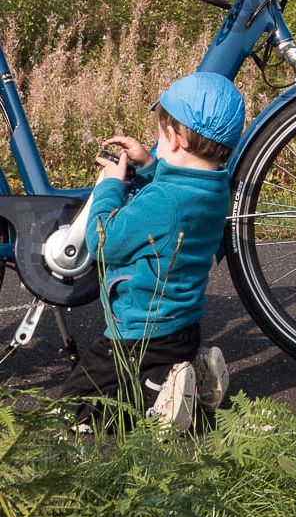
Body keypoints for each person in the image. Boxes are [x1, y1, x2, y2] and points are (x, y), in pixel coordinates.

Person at [60, 71, 245, 430]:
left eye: (161, 134)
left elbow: (102, 242)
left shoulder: (163, 201)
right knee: (146, 371)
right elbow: (175, 192)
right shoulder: (216, 188)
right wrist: (148, 165)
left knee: (75, 407)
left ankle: (156, 398)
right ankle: (190, 373)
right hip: (184, 329)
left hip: (139, 334)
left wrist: (109, 187)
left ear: (175, 139)